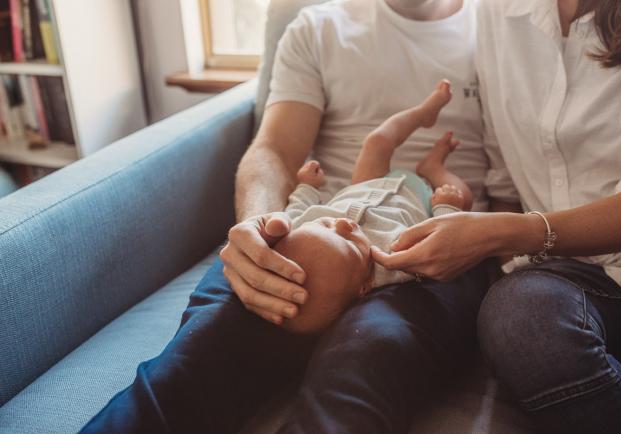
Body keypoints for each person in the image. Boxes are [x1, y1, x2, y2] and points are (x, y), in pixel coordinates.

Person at [81, 0, 492, 432]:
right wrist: (263, 238)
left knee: (367, 357)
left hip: (433, 251)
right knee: (193, 362)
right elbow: (274, 150)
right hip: (316, 227)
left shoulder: (504, 31)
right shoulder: (318, 27)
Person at [372, 0, 621, 432]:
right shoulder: (498, 11)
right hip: (568, 279)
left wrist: (504, 234)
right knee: (523, 322)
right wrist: (502, 249)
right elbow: (503, 167)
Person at [278, 81, 472, 334]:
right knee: (464, 196)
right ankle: (434, 168)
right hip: (421, 199)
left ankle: (425, 113)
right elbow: (439, 243)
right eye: (349, 242)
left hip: (365, 184)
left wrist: (307, 186)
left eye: (326, 224)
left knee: (377, 142)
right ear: (365, 285)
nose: (345, 224)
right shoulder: (392, 263)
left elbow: (295, 209)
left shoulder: (299, 230)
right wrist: (447, 207)